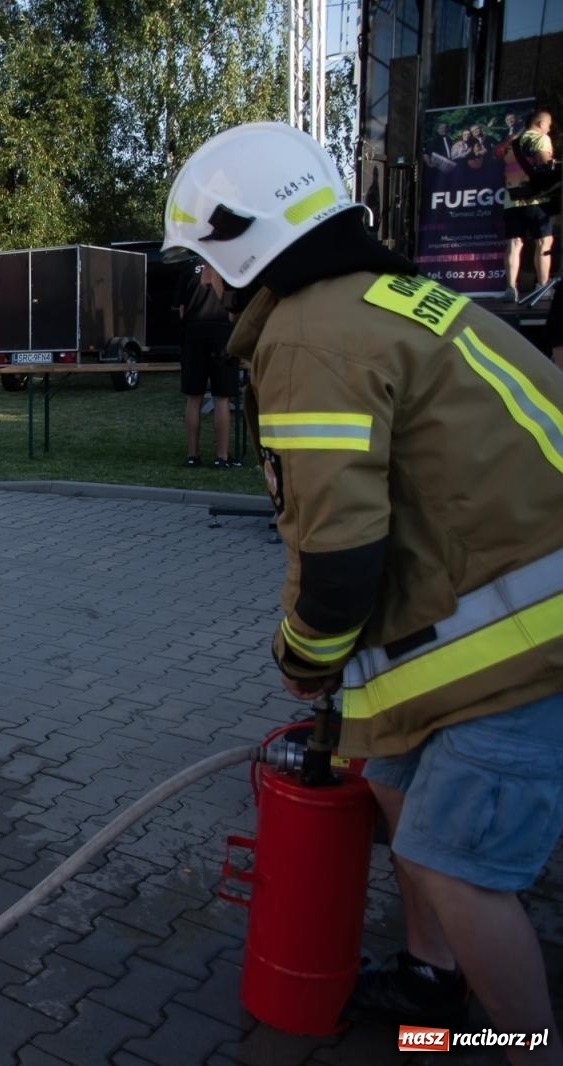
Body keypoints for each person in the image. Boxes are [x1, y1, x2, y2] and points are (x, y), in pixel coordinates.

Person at [164, 121, 563, 1063]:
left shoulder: (311, 336)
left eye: (204, 263)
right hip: (503, 602)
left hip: (527, 646)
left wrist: (301, 660)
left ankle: (522, 1044)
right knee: (386, 775)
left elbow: (341, 556)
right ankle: (431, 988)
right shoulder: (380, 296)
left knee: (450, 863)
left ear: (241, 242)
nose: (205, 286)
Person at [173, 259, 237, 468]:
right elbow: (233, 311)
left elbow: (181, 310)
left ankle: (192, 455)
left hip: (193, 334)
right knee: (222, 399)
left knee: (193, 399)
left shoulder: (187, 267)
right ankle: (222, 457)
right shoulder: (229, 265)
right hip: (222, 335)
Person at [501, 110, 555, 303]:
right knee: (543, 242)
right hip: (536, 200)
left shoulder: (512, 143)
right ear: (540, 124)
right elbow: (546, 165)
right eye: (548, 124)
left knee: (514, 244)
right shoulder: (540, 138)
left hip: (511, 200)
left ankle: (510, 288)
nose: (549, 128)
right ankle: (543, 287)